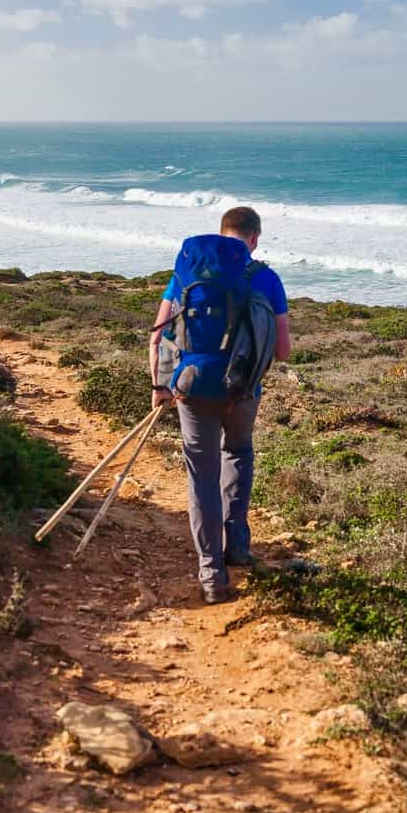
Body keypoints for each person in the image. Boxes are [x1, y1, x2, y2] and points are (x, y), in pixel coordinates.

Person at [149, 205, 290, 604]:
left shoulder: (187, 272)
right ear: (254, 238)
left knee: (202, 476)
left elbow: (158, 337)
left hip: (191, 388)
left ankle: (212, 575)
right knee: (239, 454)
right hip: (243, 389)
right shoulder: (265, 277)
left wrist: (160, 387)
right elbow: (282, 351)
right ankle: (238, 547)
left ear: (221, 231)